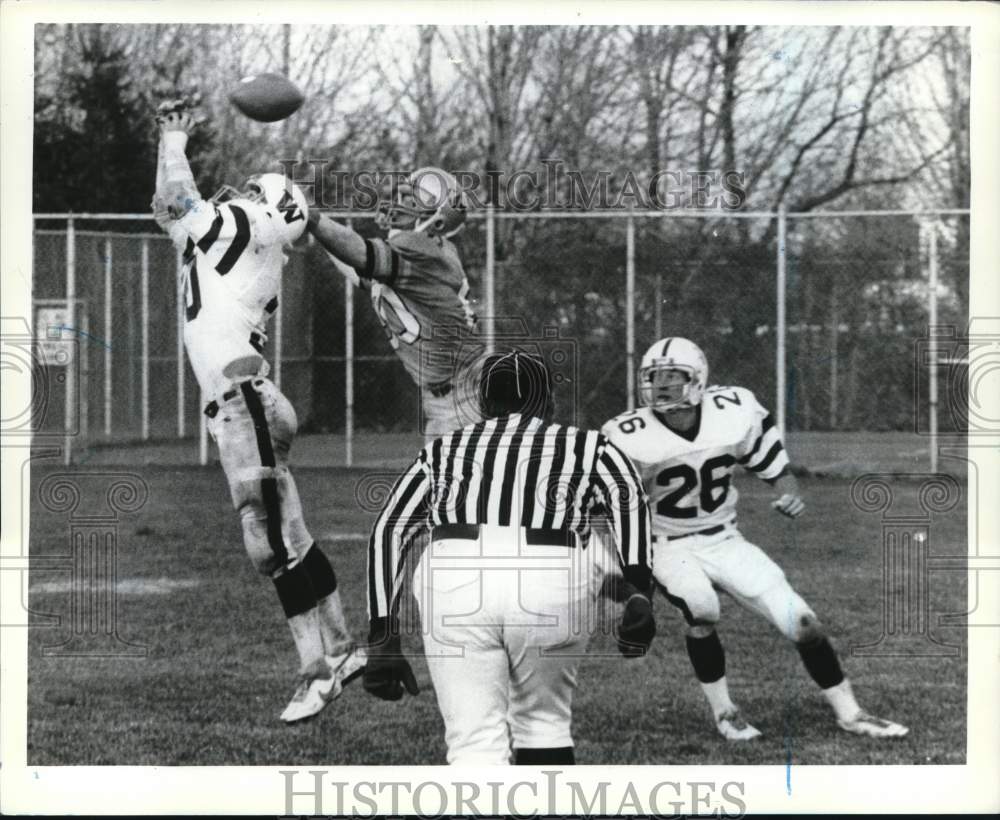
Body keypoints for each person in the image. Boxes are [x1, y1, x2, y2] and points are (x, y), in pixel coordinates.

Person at [151, 101, 364, 724]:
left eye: (250, 190)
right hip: (243, 403)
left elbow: (180, 198)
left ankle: (316, 670)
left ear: (266, 207)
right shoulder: (244, 247)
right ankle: (344, 648)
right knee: (288, 535)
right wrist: (169, 145)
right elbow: (170, 202)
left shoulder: (247, 227)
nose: (238, 193)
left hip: (243, 401)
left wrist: (173, 136)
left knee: (267, 541)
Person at [602, 336, 909, 741]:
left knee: (804, 623)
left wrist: (788, 493)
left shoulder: (733, 410)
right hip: (667, 544)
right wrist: (625, 578)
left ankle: (851, 713)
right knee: (702, 608)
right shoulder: (626, 433)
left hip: (724, 539)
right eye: (654, 377)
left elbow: (775, 467)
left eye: (672, 376)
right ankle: (726, 712)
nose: (661, 386)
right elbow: (606, 508)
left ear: (697, 380)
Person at [361, 349, 656, 765]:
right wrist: (640, 592)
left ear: (482, 404)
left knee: (474, 742)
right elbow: (631, 506)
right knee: (544, 723)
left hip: (456, 572)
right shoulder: (588, 446)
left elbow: (389, 530)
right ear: (550, 404)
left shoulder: (445, 450)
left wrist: (383, 636)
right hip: (552, 570)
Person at [306, 167, 481, 440]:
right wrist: (313, 225)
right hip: (452, 397)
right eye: (402, 196)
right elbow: (358, 269)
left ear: (436, 221)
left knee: (451, 481)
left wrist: (311, 217)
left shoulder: (421, 252)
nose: (399, 204)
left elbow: (361, 254)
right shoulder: (423, 251)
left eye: (411, 201)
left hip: (462, 401)